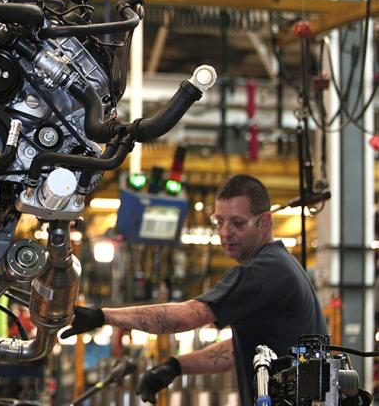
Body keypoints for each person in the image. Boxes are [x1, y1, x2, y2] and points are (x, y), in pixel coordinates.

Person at [61, 174, 328, 406]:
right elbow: (238, 350)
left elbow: (187, 316)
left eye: (237, 223)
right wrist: (175, 366)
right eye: (219, 221)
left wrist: (103, 316)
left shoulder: (263, 271)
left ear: (265, 223)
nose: (225, 232)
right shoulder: (280, 264)